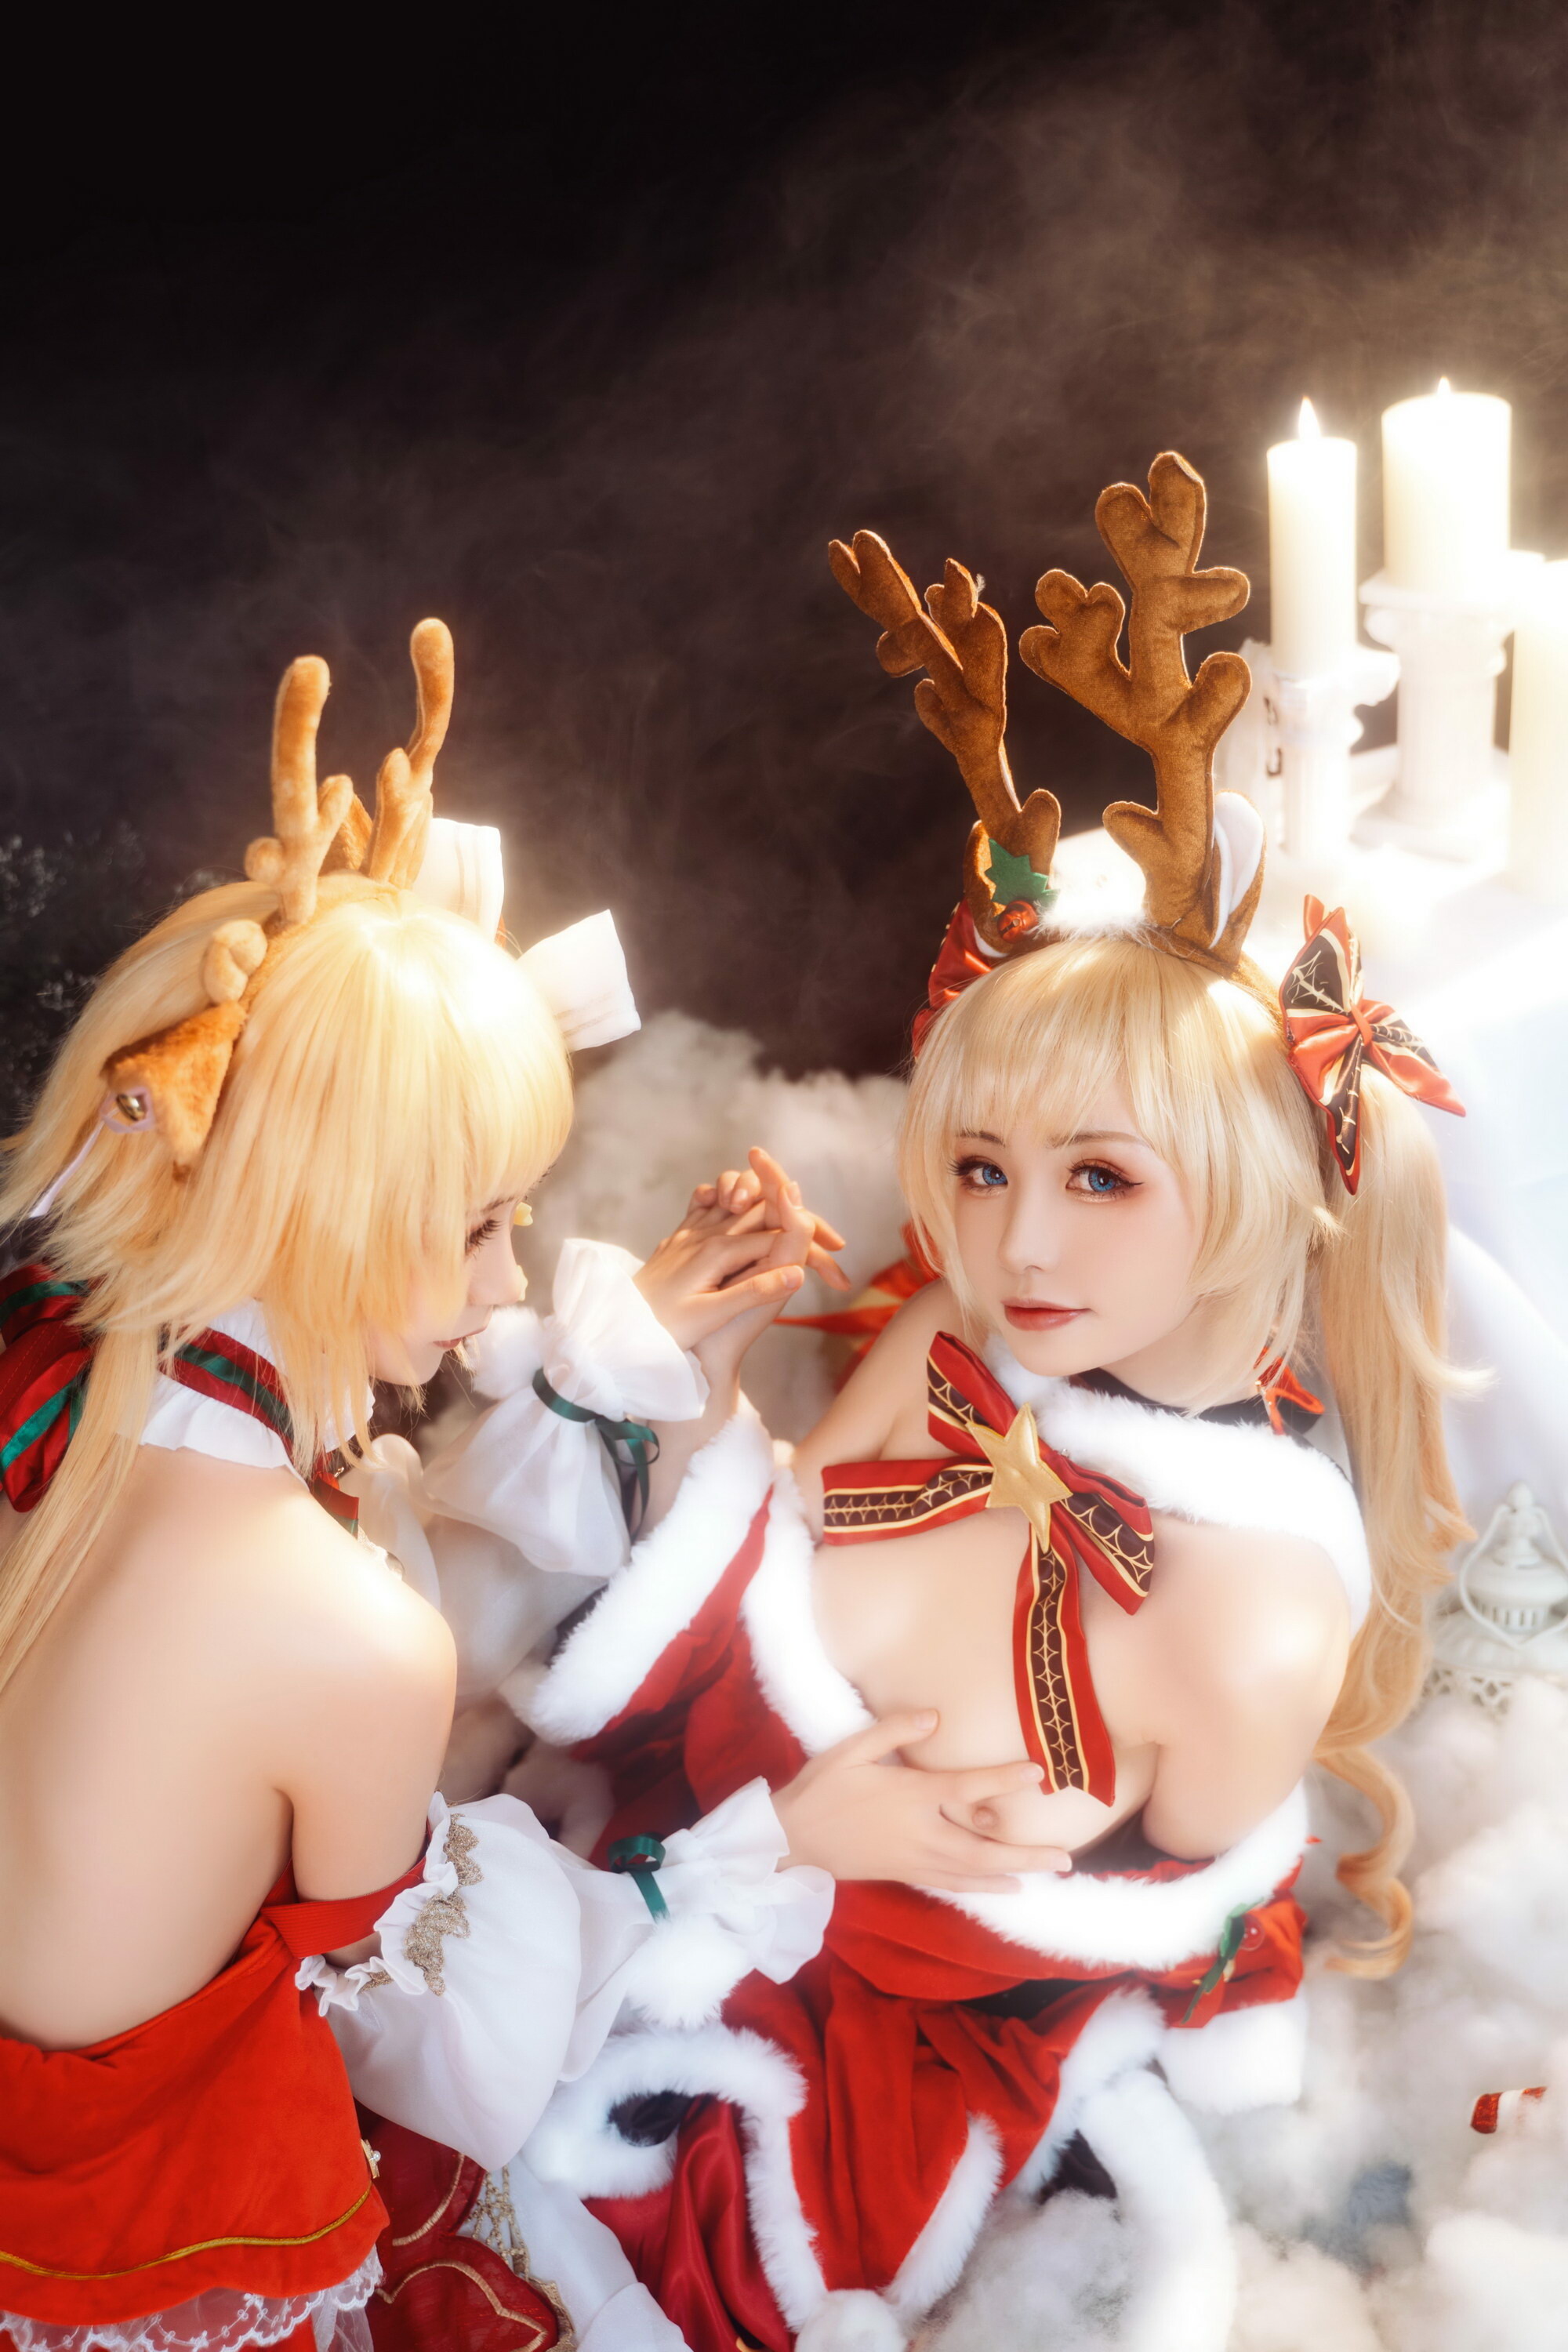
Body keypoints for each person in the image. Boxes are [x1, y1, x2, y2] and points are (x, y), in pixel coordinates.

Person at [492, 458, 1471, 2352]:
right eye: (979, 1166)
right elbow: (749, 1568)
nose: (1014, 1243)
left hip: (820, 2073)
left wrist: (776, 1857)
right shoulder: (960, 1327)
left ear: (1255, 1187)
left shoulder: (1246, 1622)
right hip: (621, 1860)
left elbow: (1137, 1947)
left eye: (1101, 1177)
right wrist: (683, 1392)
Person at [0, 622, 1055, 2352]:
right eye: (485, 1223)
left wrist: (608, 1376)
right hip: (127, 2249)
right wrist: (768, 1847)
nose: (509, 1281)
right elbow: (457, 2058)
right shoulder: (335, 1634)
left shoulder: (59, 1389)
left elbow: (353, 1607)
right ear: (332, 1215)